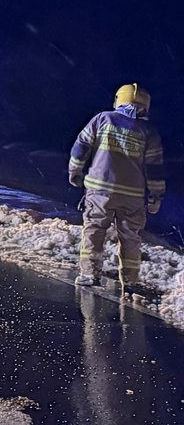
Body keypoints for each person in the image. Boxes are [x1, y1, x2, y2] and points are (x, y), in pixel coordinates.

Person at [69, 83, 165, 292]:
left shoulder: (103, 119)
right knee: (131, 236)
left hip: (100, 191)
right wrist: (155, 196)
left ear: (118, 100)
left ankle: (89, 274)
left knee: (94, 229)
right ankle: (130, 281)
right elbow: (154, 168)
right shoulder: (149, 132)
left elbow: (81, 146)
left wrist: (74, 171)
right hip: (133, 196)